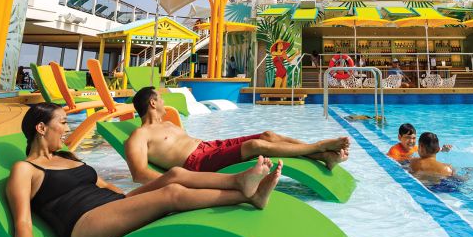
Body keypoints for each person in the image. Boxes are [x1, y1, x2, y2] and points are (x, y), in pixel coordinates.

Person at [7, 103, 283, 237]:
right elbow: (22, 220)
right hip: (84, 224)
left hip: (111, 205)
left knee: (174, 174)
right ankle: (243, 190)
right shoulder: (25, 169)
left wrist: (132, 198)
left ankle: (244, 186)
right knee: (170, 193)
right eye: (63, 123)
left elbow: (102, 185)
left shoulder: (67, 157)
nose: (67, 129)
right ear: (41, 127)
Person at [125, 87, 350, 183]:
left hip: (209, 147)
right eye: (161, 99)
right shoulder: (139, 135)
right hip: (196, 163)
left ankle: (323, 157)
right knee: (255, 146)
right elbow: (140, 174)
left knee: (267, 135)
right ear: (153, 103)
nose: (164, 102)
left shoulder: (169, 124)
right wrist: (184, 181)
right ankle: (319, 147)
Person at [387, 123, 452, 162]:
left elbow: (430, 150)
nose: (411, 141)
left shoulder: (416, 148)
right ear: (399, 137)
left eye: (414, 138)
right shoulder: (394, 151)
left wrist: (443, 149)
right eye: (407, 137)